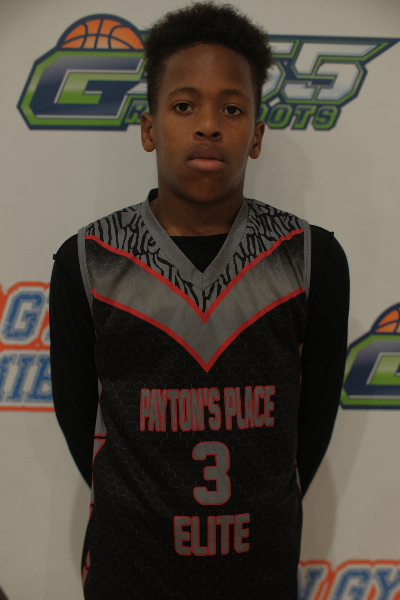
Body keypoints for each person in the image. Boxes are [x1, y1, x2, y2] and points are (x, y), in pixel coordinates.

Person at [50, 3, 349, 598]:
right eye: (184, 105)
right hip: (129, 571)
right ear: (149, 128)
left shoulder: (310, 257)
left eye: (232, 108)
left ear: (256, 136)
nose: (209, 125)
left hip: (258, 574)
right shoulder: (89, 259)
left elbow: (311, 425)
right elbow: (78, 417)